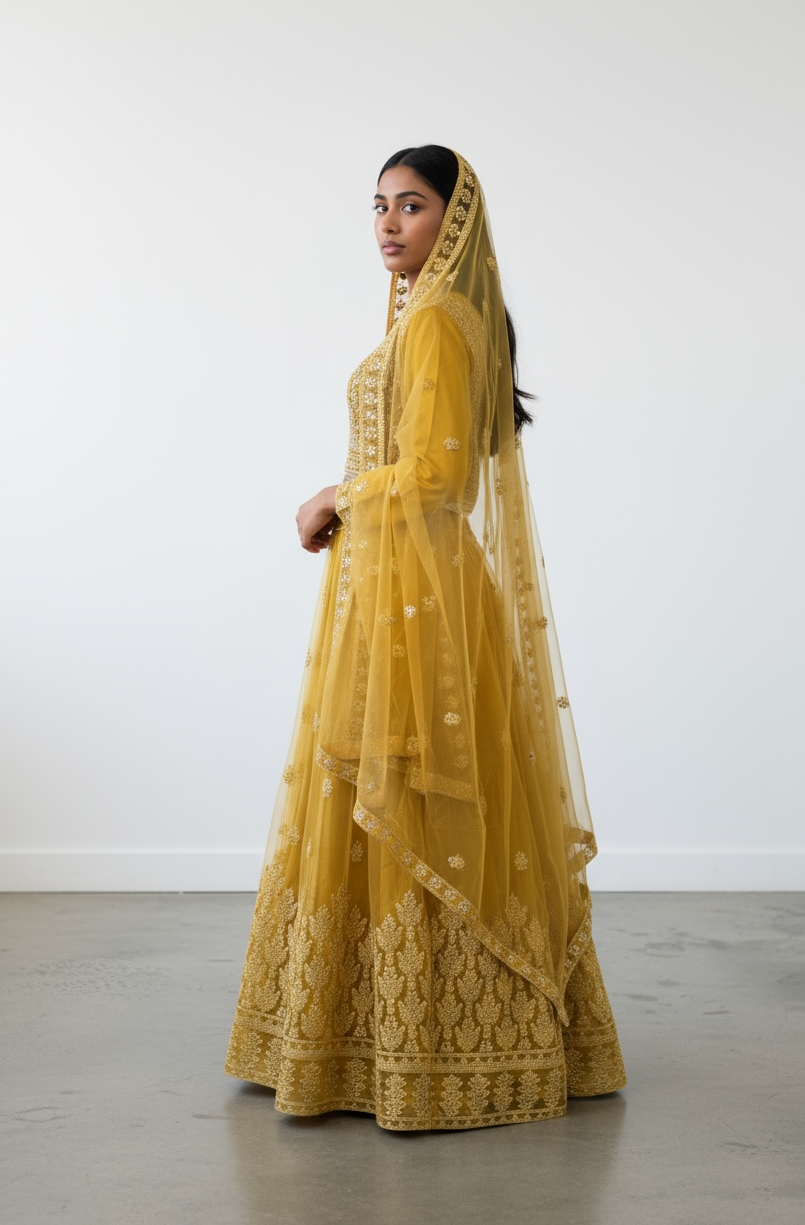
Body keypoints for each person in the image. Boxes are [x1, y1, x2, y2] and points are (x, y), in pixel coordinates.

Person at [225, 146, 627, 1131]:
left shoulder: (440, 318)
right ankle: (374, 1034)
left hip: (422, 593)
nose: (388, 224)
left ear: (454, 221)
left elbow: (440, 477)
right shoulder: (423, 317)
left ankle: (434, 1047)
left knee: (412, 783)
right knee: (388, 781)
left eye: (411, 205)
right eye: (378, 206)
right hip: (398, 583)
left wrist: (336, 494)